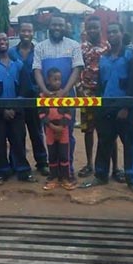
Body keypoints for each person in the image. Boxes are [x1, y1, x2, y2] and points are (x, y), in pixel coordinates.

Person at [81, 22, 133, 193]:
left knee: (130, 143)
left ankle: (132, 178)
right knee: (104, 142)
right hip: (106, 108)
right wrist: (100, 105)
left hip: (125, 108)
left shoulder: (131, 55)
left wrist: (126, 107)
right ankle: (101, 175)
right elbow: (101, 84)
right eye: (109, 32)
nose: (112, 35)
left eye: (115, 31)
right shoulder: (104, 57)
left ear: (122, 33)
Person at [33, 14, 84, 179]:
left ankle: (67, 170)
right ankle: (54, 172)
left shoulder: (74, 46)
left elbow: (77, 69)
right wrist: (44, 91)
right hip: (46, 97)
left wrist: (65, 90)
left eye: (60, 25)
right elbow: (37, 71)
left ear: (66, 27)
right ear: (49, 26)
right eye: (54, 25)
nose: (57, 28)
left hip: (67, 96)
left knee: (67, 133)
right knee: (48, 132)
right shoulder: (40, 47)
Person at [0, 32, 37, 184]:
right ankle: (1, 172)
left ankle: (23, 171)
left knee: (19, 141)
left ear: (8, 42)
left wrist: (14, 108)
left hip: (17, 112)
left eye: (4, 39)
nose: (2, 42)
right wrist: (2, 110)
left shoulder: (18, 63)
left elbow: (25, 88)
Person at [77, 16, 123, 182]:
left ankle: (116, 168)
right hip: (86, 94)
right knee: (88, 130)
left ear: (100, 29)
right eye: (90, 28)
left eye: (95, 27)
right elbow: (77, 70)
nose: (93, 30)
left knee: (110, 132)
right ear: (86, 29)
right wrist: (79, 90)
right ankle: (90, 164)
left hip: (104, 95)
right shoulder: (81, 48)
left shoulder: (108, 47)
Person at [8, 22, 49, 176]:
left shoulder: (39, 51)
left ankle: (42, 163)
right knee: (17, 133)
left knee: (36, 131)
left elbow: (44, 73)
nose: (26, 33)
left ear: (33, 33)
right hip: (17, 97)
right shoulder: (11, 52)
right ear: (19, 32)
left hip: (34, 98)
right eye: (23, 30)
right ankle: (16, 163)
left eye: (29, 30)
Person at [39, 68, 76, 191]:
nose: (58, 82)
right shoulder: (42, 96)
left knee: (64, 155)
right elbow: (41, 114)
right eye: (55, 79)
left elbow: (69, 113)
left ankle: (65, 178)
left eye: (59, 80)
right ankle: (53, 177)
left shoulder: (66, 95)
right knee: (52, 155)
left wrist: (61, 127)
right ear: (48, 80)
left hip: (63, 130)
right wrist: (52, 126)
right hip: (50, 130)